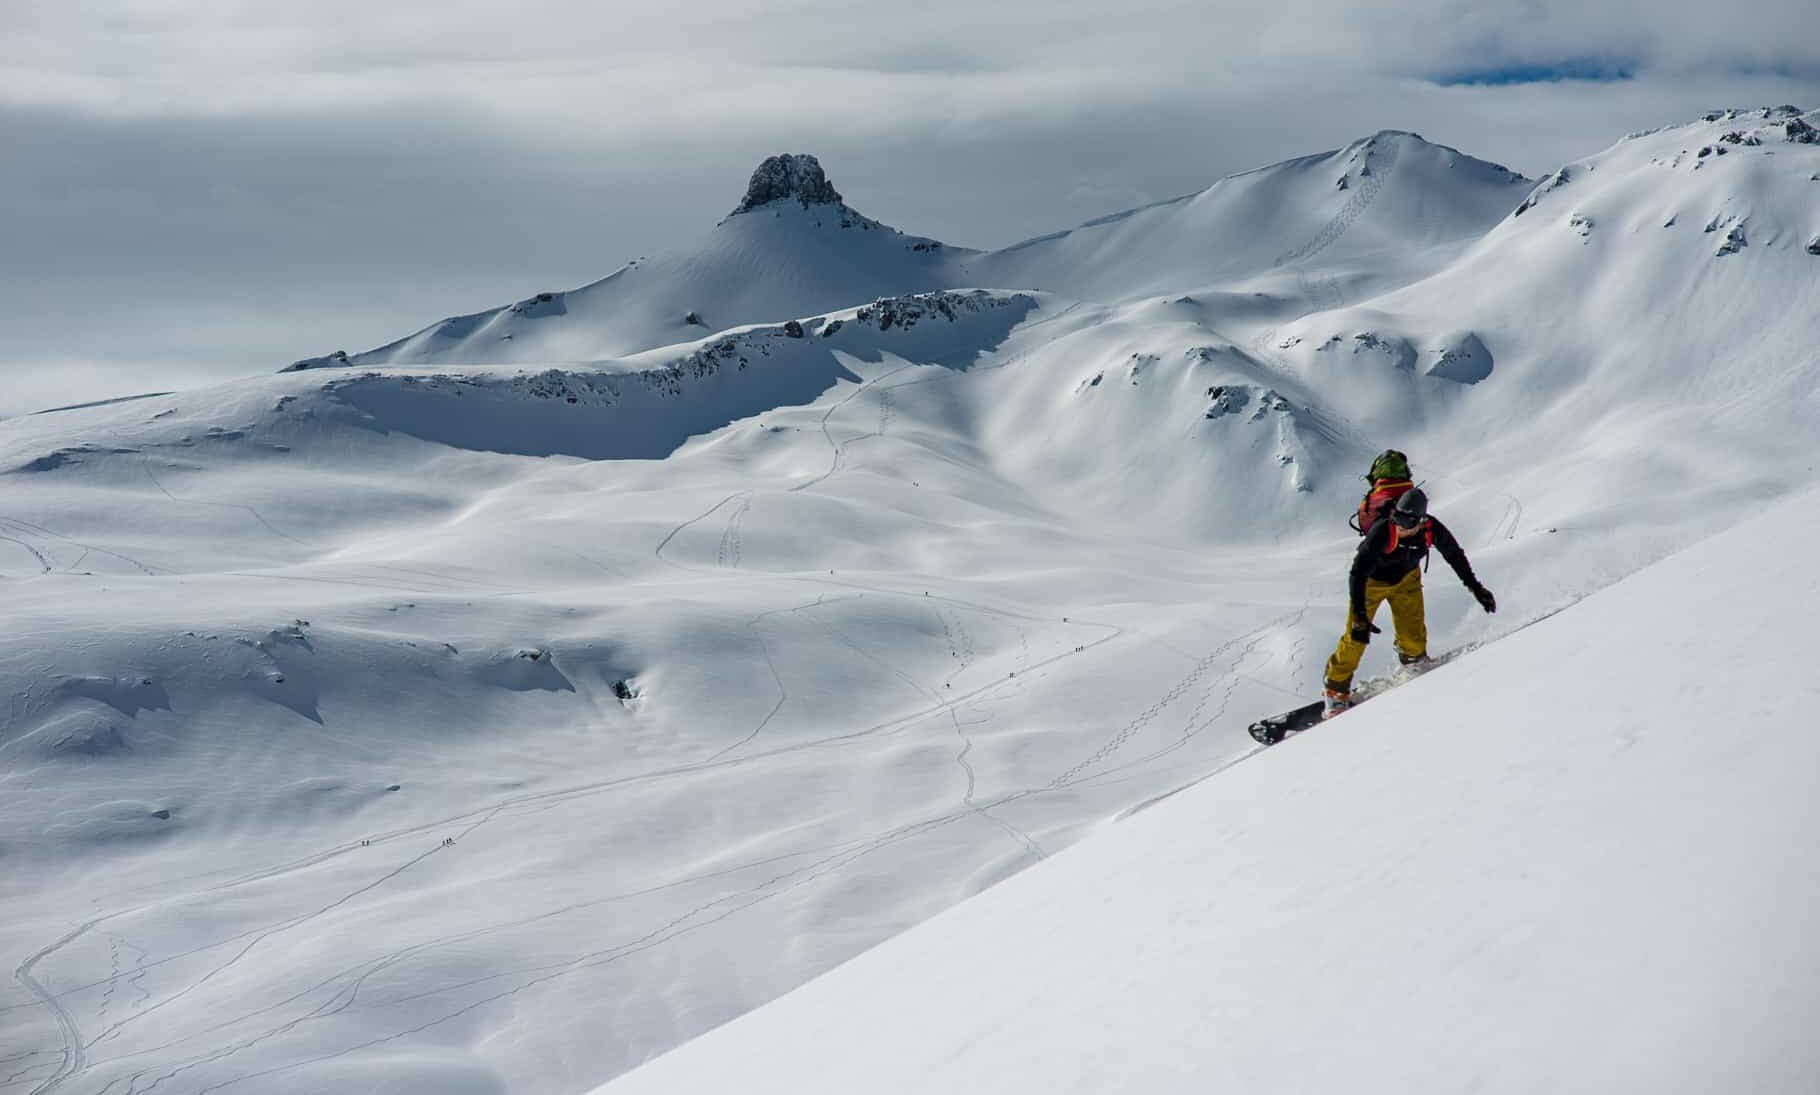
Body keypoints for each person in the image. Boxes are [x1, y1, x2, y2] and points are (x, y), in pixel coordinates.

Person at [1322, 485, 1495, 717]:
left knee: (1413, 638)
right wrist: (1360, 616)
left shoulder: (1432, 528)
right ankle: (1335, 691)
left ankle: (1413, 663)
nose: (1399, 527)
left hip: (1406, 580)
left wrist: (1476, 587)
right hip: (1371, 583)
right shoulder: (1383, 531)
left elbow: (1454, 555)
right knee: (1356, 637)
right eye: (1397, 520)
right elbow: (1358, 572)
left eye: (1405, 523)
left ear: (1420, 521)